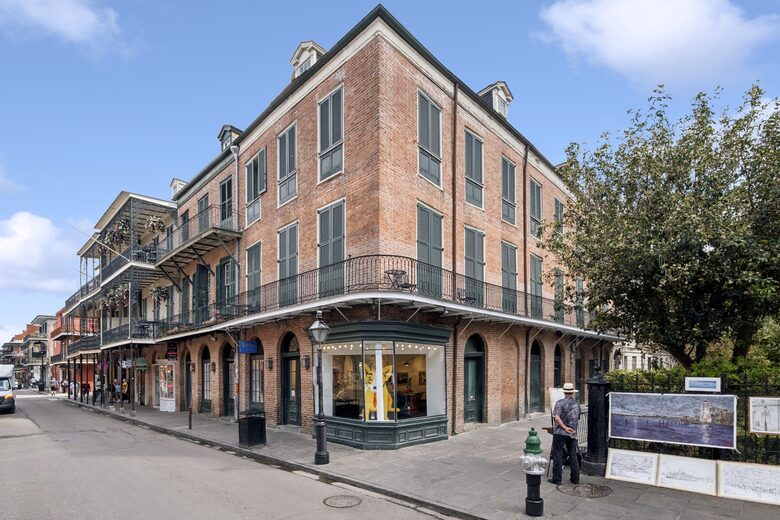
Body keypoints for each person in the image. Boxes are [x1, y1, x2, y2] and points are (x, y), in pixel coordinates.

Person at [548, 382, 581, 485]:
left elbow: (557, 418)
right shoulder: (577, 404)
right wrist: (569, 429)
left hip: (560, 432)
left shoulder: (559, 403)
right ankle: (575, 478)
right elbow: (577, 418)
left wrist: (565, 428)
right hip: (572, 433)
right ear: (572, 392)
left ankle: (557, 479)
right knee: (573, 455)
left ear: (564, 392)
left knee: (557, 454)